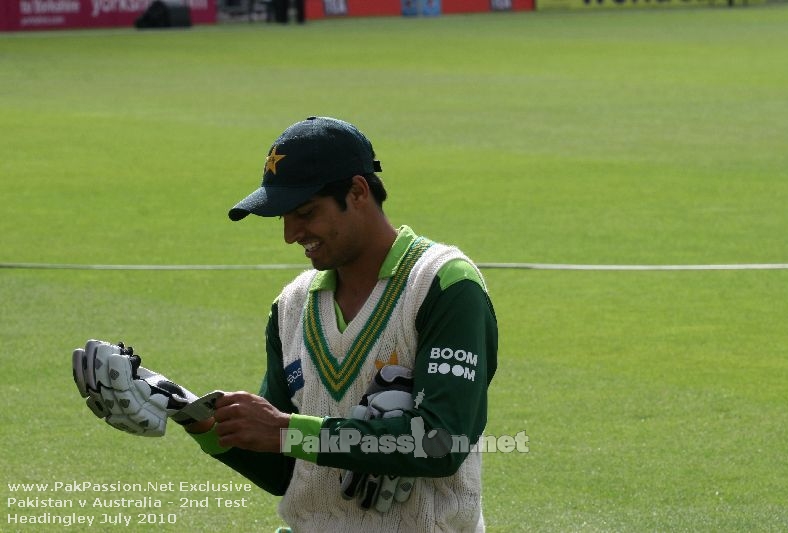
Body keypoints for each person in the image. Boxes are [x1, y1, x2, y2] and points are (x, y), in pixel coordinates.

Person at [74, 116, 498, 532]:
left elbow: (441, 442)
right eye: (283, 217)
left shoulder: (443, 284)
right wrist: (194, 415)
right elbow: (283, 470)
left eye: (305, 213)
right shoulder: (292, 305)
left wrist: (286, 430)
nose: (290, 234)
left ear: (357, 191)